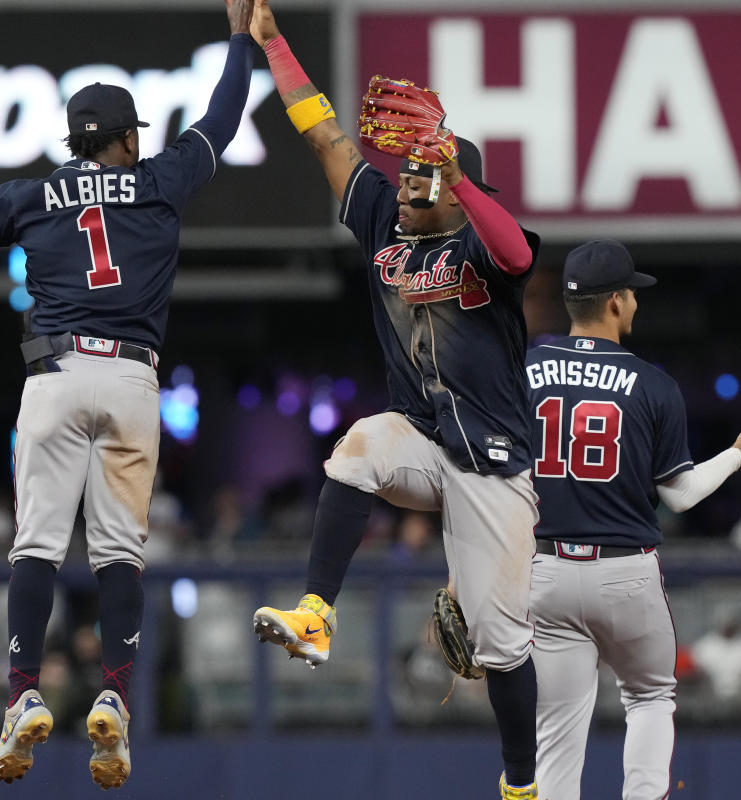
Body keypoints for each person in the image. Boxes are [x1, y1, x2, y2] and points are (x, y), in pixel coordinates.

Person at [0, 1, 256, 787]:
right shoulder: (159, 180)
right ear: (128, 137)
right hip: (133, 381)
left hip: (56, 374)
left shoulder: (31, 196)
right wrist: (242, 39)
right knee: (121, 555)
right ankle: (114, 690)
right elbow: (222, 114)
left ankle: (21, 693)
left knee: (36, 545)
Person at [246, 2, 543, 796]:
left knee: (502, 644)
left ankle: (522, 784)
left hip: (495, 467)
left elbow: (516, 249)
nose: (408, 183)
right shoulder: (384, 220)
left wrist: (458, 170)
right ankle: (317, 611)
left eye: (426, 175)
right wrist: (276, 48)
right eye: (409, 171)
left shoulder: (480, 240)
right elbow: (326, 136)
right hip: (424, 438)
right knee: (354, 449)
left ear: (458, 186)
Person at [524, 239, 741, 800]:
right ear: (615, 301)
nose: (637, 305)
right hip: (623, 571)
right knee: (649, 697)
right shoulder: (653, 384)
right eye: (632, 294)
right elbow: (683, 495)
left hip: (544, 569)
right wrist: (740, 451)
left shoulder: (525, 367)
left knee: (559, 729)